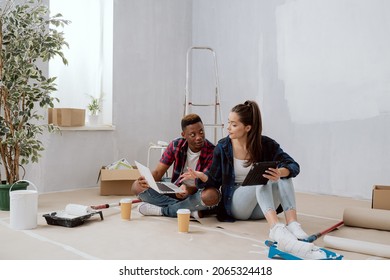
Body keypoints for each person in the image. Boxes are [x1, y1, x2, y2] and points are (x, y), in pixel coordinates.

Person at [182, 100, 326, 259]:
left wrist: (280, 172)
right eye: (228, 123)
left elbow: (293, 165)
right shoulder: (223, 147)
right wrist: (202, 176)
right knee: (263, 176)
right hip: (237, 203)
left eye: (234, 124)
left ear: (248, 127)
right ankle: (275, 228)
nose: (228, 127)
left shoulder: (266, 144)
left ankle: (292, 224)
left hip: (261, 207)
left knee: (283, 175)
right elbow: (214, 179)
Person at [132, 113, 221, 218]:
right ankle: (188, 210)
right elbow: (158, 172)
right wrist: (147, 180)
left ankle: (162, 210)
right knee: (136, 186)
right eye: (193, 135)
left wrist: (187, 190)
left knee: (211, 195)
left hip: (196, 193)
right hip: (176, 190)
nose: (199, 137)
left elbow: (207, 183)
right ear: (184, 135)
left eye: (201, 132)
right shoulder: (176, 145)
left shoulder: (213, 151)